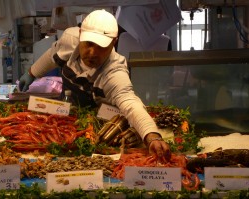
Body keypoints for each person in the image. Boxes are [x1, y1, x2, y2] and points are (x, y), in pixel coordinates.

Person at [19, 9, 171, 162]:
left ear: (114, 42)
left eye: (101, 47)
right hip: (65, 112)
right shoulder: (70, 39)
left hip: (98, 123)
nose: (92, 52)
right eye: (89, 44)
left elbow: (131, 103)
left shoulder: (115, 72)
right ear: (80, 34)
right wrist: (32, 73)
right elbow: (52, 55)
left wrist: (151, 136)